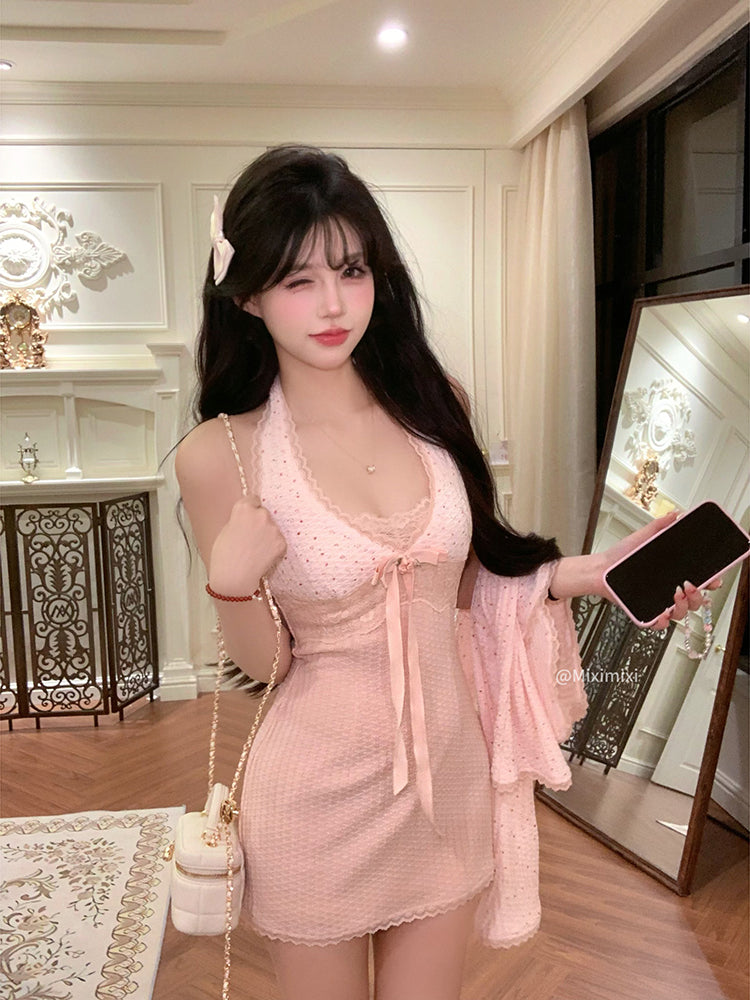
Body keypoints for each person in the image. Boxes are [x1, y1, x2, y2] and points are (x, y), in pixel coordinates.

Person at [175, 145, 710, 1000]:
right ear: (246, 295)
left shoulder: (435, 407)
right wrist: (231, 585)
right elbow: (267, 665)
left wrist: (593, 574)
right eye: (298, 280)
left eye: (352, 271)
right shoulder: (221, 455)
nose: (333, 304)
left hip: (449, 780)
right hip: (315, 793)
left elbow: (461, 588)